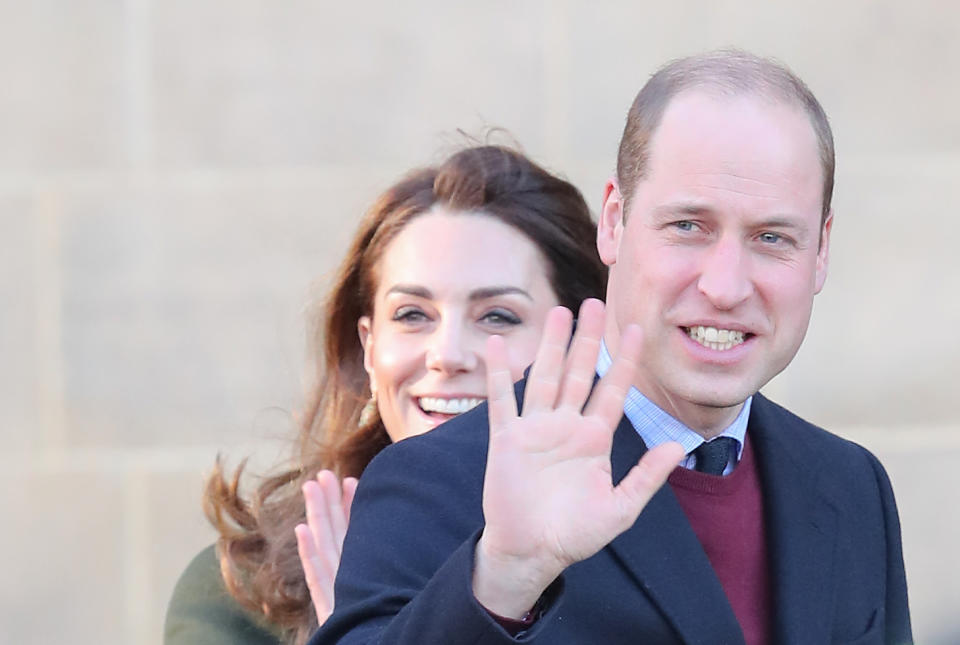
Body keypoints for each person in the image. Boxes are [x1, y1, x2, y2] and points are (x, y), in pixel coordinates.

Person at [307, 50, 912, 645]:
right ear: (614, 223)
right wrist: (502, 579)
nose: (725, 286)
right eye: (688, 226)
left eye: (773, 237)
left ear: (821, 251)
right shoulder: (437, 479)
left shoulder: (852, 488)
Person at [163, 144, 608, 645]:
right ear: (369, 348)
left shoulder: (644, 576)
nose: (447, 354)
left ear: (577, 344)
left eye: (497, 317)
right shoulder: (240, 592)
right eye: (412, 315)